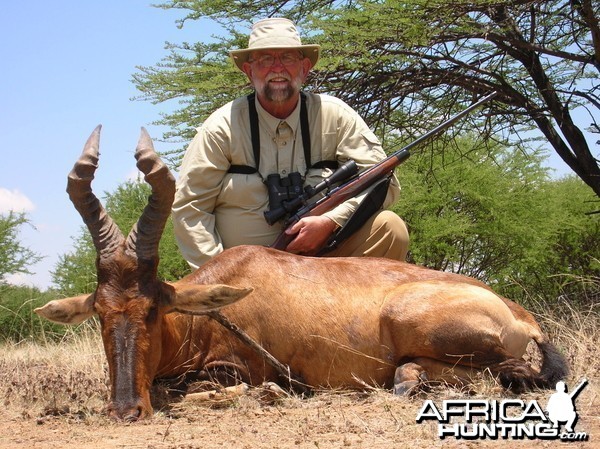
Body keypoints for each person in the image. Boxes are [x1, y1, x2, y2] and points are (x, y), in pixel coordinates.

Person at [172, 17, 409, 270]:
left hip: (326, 257)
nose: (277, 68)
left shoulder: (336, 115)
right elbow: (191, 208)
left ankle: (355, 309)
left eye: (287, 58)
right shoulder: (221, 126)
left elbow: (386, 183)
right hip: (248, 276)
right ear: (249, 71)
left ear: (304, 68)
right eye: (265, 59)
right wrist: (220, 277)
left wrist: (331, 221)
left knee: (390, 228)